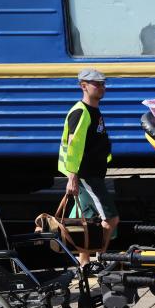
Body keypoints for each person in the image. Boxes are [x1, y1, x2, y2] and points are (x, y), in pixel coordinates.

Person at [58, 68, 118, 265]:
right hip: (86, 175)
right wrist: (72, 176)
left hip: (92, 174)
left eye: (103, 84)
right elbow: (73, 147)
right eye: (97, 84)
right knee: (111, 219)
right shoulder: (80, 112)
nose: (102, 88)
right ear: (83, 86)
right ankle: (101, 258)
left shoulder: (93, 110)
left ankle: (84, 264)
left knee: (88, 222)